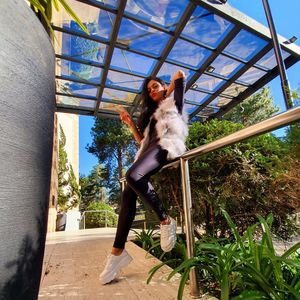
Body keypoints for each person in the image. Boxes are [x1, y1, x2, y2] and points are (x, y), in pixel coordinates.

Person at [99, 70, 188, 284]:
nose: (152, 91)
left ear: (164, 86)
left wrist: (167, 89)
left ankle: (165, 220)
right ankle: (116, 254)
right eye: (149, 90)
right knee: (128, 193)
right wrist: (130, 122)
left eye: (155, 86)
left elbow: (180, 74)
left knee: (132, 175)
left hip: (165, 146)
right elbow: (141, 141)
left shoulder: (173, 102)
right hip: (149, 150)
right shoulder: (150, 116)